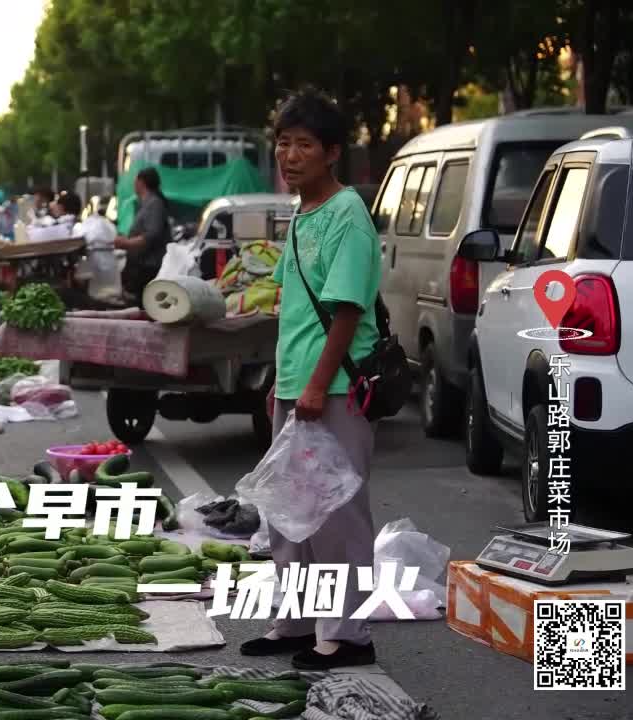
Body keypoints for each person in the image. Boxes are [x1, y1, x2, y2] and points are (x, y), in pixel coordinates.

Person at [239, 89, 380, 671]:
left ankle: (349, 635)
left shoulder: (348, 212)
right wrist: (285, 379)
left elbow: (346, 309)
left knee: (338, 512)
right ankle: (297, 620)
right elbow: (297, 306)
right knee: (290, 509)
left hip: (338, 385)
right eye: (283, 144)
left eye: (303, 145)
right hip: (300, 382)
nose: (290, 156)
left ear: (331, 153)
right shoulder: (302, 211)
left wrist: (319, 385)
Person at [114, 167, 171, 300]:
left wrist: (127, 243)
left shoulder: (154, 204)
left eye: (135, 180)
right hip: (141, 264)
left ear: (141, 182)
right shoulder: (146, 203)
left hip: (150, 265)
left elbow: (152, 234)